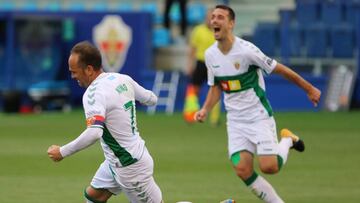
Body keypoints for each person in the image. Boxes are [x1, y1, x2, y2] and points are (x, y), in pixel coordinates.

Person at [194, 5, 321, 203]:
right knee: (242, 169)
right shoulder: (210, 55)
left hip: (258, 116)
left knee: (270, 167)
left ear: (231, 23)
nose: (214, 21)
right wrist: (205, 109)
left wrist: (309, 89)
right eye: (212, 17)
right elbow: (216, 86)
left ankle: (287, 140)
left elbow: (281, 70)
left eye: (220, 17)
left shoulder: (247, 51)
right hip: (235, 122)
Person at [47, 41, 163, 203]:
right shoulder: (122, 79)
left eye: (74, 72)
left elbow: (94, 132)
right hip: (116, 160)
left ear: (88, 69)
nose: (73, 77)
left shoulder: (93, 94)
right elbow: (151, 99)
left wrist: (63, 151)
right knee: (93, 196)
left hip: (130, 166)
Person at [183, 8, 221, 125]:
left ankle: (214, 120)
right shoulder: (198, 30)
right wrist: (190, 64)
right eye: (210, 17)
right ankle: (191, 116)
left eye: (214, 17)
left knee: (216, 90)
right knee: (194, 90)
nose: (211, 20)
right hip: (200, 63)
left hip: (215, 65)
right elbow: (192, 49)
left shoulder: (219, 31)